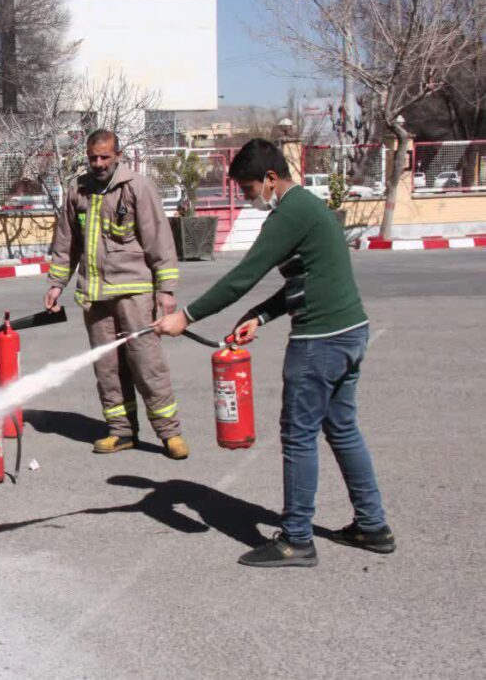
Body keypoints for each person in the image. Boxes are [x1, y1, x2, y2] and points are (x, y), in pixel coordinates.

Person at [154, 138, 394, 568]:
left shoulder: (289, 213)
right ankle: (373, 526)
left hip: (320, 342)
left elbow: (243, 276)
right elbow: (307, 278)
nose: (248, 199)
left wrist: (185, 317)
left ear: (270, 179)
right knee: (342, 429)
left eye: (248, 190)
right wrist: (261, 317)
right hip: (349, 332)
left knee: (299, 437)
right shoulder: (307, 208)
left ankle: (297, 539)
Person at [44, 129, 188, 460]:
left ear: (118, 155)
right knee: (107, 368)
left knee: (147, 363)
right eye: (93, 157)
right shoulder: (77, 190)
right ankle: (122, 431)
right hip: (95, 296)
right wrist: (56, 283)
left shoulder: (137, 187)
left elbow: (159, 240)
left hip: (135, 292)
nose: (98, 163)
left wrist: (166, 291)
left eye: (105, 157)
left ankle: (170, 433)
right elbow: (66, 242)